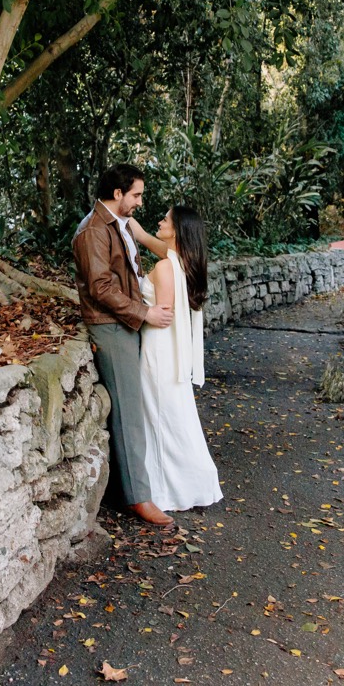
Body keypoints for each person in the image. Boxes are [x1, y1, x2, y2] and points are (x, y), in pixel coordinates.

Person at [72, 163, 176, 526]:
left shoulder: (116, 226)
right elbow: (101, 289)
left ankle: (130, 489)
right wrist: (144, 313)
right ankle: (137, 498)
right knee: (129, 413)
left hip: (123, 323)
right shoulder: (93, 231)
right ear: (117, 194)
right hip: (110, 328)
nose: (140, 202)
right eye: (136, 195)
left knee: (135, 409)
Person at [130, 205, 222, 512]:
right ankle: (190, 482)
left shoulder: (166, 268)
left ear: (177, 230)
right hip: (171, 352)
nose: (160, 220)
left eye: (166, 219)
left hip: (159, 351)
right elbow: (154, 242)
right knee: (173, 417)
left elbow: (163, 315)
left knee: (160, 418)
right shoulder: (181, 260)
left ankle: (165, 491)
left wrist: (138, 313)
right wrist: (135, 227)